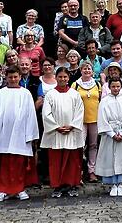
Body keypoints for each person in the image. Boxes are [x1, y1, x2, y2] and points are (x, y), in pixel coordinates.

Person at [0, 67, 40, 202]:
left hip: (20, 133)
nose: (13, 79)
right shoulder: (1, 93)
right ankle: (3, 189)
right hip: (3, 134)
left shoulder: (26, 93)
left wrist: (31, 135)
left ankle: (19, 188)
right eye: (10, 77)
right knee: (3, 162)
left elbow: (30, 114)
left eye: (15, 77)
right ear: (6, 78)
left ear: (20, 77)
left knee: (19, 162)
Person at [41, 67, 85, 198]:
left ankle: (71, 185)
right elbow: (46, 113)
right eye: (60, 77)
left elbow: (79, 111)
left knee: (72, 160)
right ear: (56, 77)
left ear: (68, 78)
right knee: (56, 161)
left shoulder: (74, 94)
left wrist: (72, 126)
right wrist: (56, 127)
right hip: (56, 133)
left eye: (65, 77)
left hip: (71, 132)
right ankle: (57, 186)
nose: (63, 79)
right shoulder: (50, 94)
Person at [95, 76, 122, 197]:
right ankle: (113, 184)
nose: (116, 89)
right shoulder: (104, 101)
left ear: (121, 87)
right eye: (113, 86)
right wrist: (112, 134)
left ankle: (121, 183)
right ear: (109, 87)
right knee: (110, 158)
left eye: (118, 86)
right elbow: (102, 119)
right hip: (110, 134)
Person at [71, 61, 102, 182]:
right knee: (80, 146)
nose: (87, 71)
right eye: (84, 69)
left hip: (95, 119)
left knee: (93, 145)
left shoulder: (97, 84)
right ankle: (79, 172)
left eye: (89, 68)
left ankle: (92, 171)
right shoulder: (76, 85)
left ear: (92, 71)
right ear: (81, 70)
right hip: (80, 120)